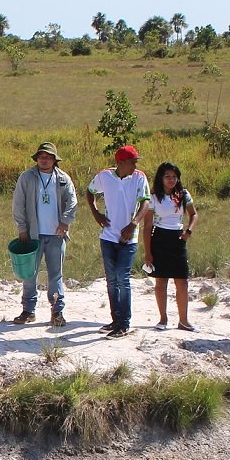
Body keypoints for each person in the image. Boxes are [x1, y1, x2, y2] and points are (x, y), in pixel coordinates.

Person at [86, 145, 151, 338]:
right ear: (121, 163)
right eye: (132, 162)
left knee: (123, 278)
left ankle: (124, 323)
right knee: (111, 279)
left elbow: (145, 202)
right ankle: (115, 319)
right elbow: (89, 192)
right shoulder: (104, 176)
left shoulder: (139, 177)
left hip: (128, 238)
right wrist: (95, 213)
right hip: (108, 236)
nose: (135, 165)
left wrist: (133, 223)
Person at [10, 142, 76, 327]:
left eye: (48, 156)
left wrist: (65, 221)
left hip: (57, 235)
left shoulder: (63, 178)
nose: (44, 159)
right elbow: (18, 204)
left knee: (56, 275)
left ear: (55, 159)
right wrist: (22, 227)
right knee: (30, 274)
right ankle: (28, 310)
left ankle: (57, 311)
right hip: (33, 235)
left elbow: (72, 202)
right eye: (41, 156)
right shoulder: (27, 177)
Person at [145, 161, 198, 332]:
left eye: (174, 177)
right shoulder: (153, 198)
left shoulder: (183, 195)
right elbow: (147, 227)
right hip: (159, 238)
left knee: (182, 281)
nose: (171, 180)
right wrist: (148, 252)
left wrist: (188, 231)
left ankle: (183, 320)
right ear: (160, 178)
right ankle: (163, 318)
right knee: (161, 281)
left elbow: (194, 214)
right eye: (167, 176)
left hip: (178, 238)